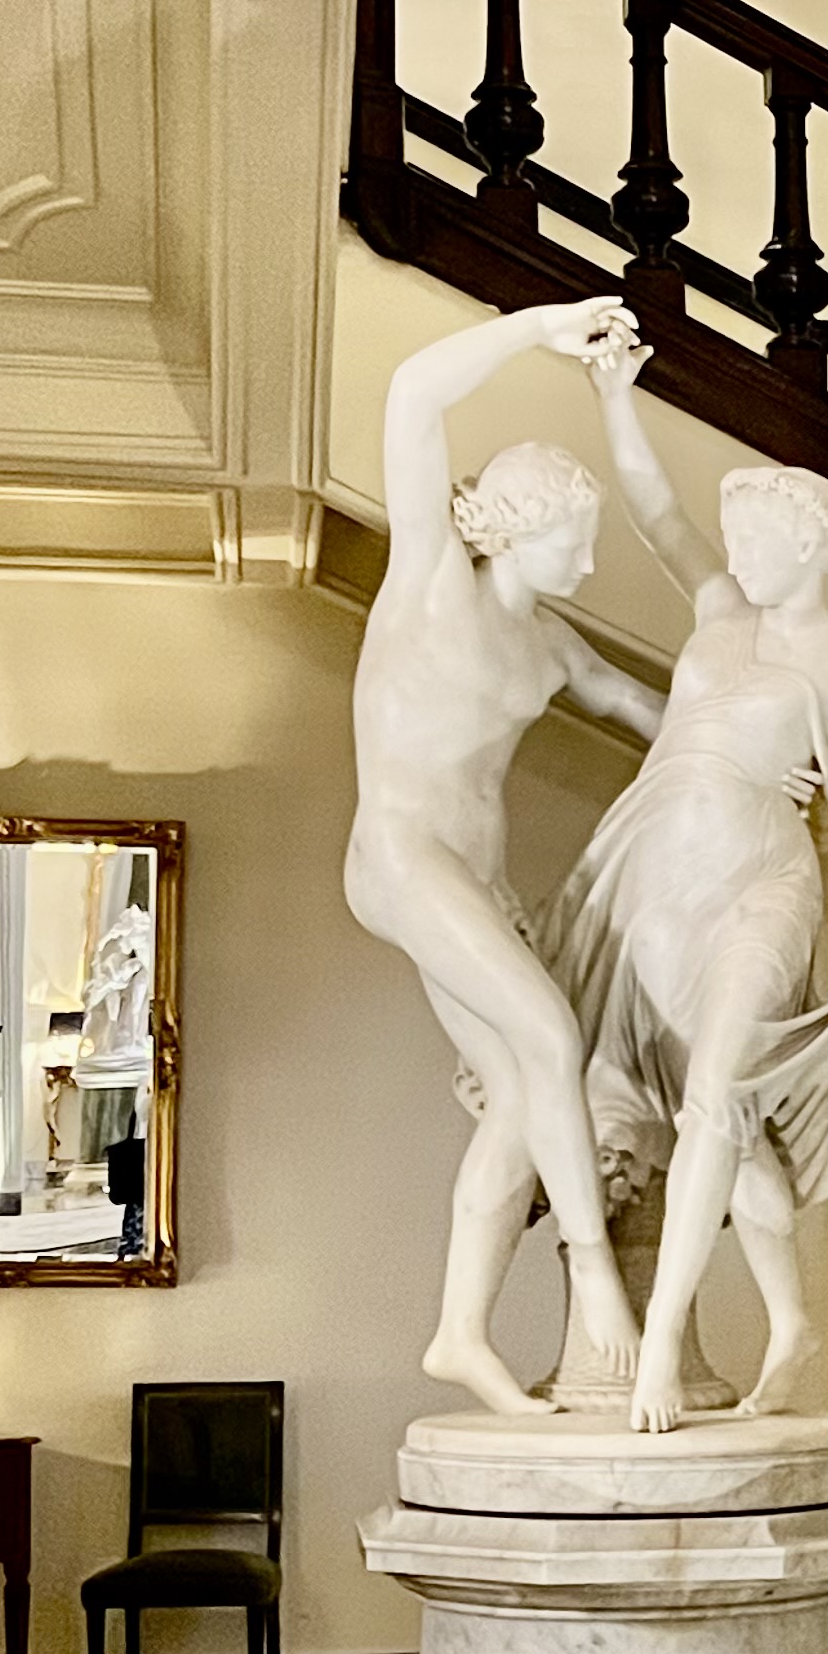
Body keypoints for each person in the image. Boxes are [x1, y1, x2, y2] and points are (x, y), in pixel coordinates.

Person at [548, 342, 828, 1433]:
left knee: (715, 1095)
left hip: (763, 883)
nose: (739, 553)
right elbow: (655, 507)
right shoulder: (718, 612)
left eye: (760, 538)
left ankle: (661, 1346)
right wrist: (614, 398)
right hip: (660, 876)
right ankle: (793, 1321)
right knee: (723, 1121)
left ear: (807, 547)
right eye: (740, 537)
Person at [345, 297, 666, 1416]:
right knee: (550, 1035)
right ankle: (594, 1292)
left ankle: (459, 1335)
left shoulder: (550, 645)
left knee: (525, 1105)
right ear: (519, 529)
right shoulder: (428, 582)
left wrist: (770, 732)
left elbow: (648, 707)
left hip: (476, 883)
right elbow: (412, 396)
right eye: (572, 534)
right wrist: (542, 327)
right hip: (403, 856)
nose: (588, 553)